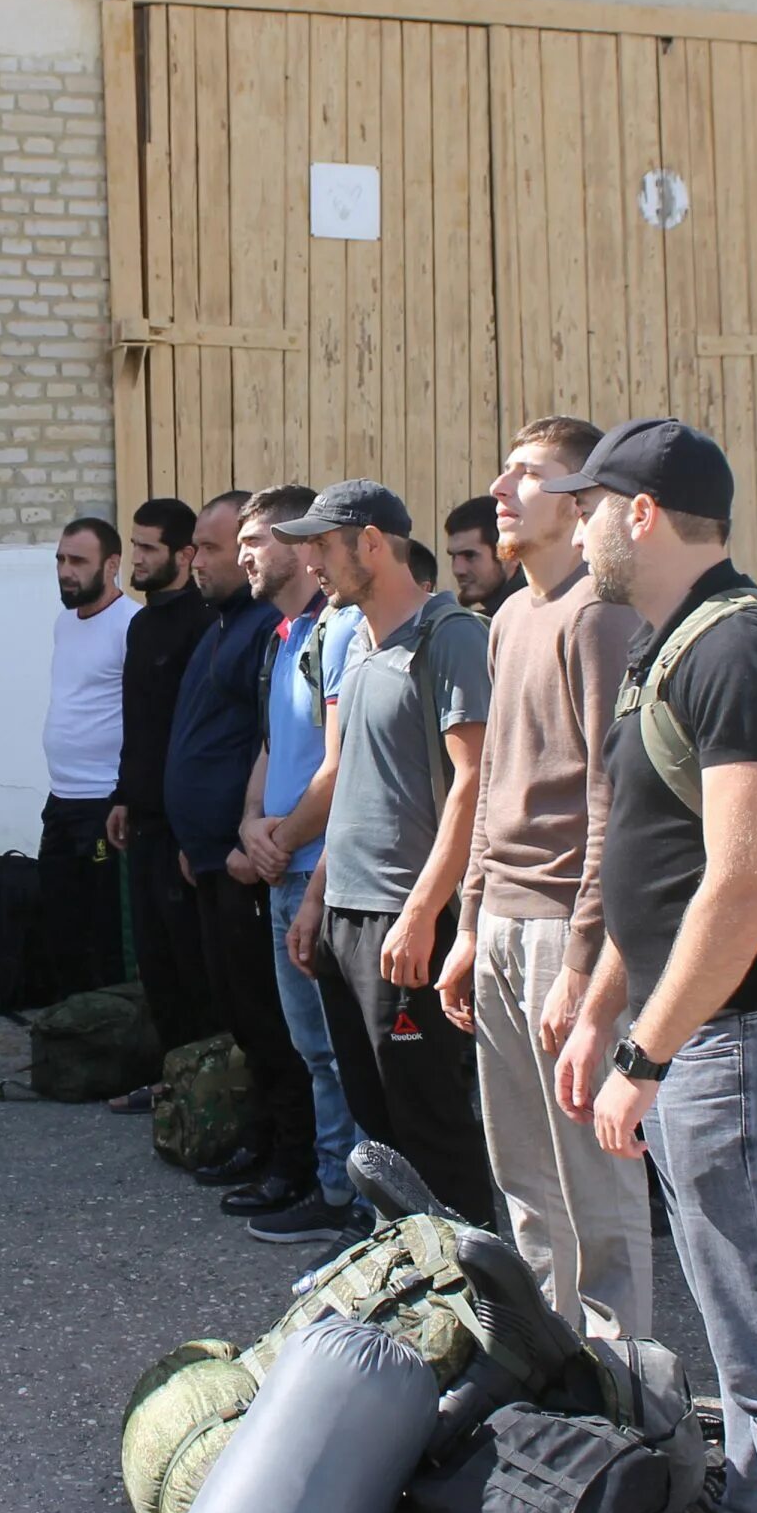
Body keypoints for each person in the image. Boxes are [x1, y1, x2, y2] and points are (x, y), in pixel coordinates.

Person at [568, 419, 757, 1513]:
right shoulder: (672, 642)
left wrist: (645, 1052)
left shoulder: (740, 651)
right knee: (746, 1352)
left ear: (639, 513)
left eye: (593, 506)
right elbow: (657, 867)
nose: (581, 527)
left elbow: (739, 886)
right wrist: (602, 1009)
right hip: (695, 1038)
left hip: (738, 1048)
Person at [433, 418, 652, 1340]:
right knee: (522, 1177)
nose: (501, 486)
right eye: (505, 469)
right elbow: (487, 796)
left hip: (569, 930)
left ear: (580, 502)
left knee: (593, 1184)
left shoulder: (602, 615)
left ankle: (623, 1381)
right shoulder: (508, 618)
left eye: (528, 474)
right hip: (502, 928)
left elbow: (614, 796)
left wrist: (582, 960)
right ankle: (545, 1358)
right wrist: (468, 924)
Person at [280, 482, 495, 1227]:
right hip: (348, 916)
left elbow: (474, 784)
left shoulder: (450, 636)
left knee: (431, 1123)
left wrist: (424, 912)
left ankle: (474, 1298)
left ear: (371, 542)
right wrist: (316, 902)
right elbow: (353, 788)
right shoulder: (360, 645)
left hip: (405, 921)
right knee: (378, 1125)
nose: (309, 562)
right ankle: (403, 1279)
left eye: (321, 545)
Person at [164, 492, 320, 1226]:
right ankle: (265, 1141)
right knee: (246, 1017)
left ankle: (299, 1163)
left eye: (214, 546)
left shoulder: (276, 630)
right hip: (219, 858)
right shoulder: (227, 625)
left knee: (282, 1025)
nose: (198, 560)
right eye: (195, 547)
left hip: (258, 863)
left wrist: (244, 837)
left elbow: (284, 744)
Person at [233, 485, 367, 1244]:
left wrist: (281, 840)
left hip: (321, 868)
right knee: (313, 1049)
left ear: (299, 544)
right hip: (285, 863)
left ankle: (354, 1196)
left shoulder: (343, 631)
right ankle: (330, 1183)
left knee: (339, 1051)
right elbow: (271, 748)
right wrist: (253, 822)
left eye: (257, 538)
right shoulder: (286, 635)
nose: (247, 553)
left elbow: (339, 766)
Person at [106, 497, 216, 1097]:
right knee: (155, 962)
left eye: (150, 549)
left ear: (185, 554)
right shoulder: (143, 624)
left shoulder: (205, 622)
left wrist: (193, 829)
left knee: (193, 963)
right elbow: (138, 724)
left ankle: (208, 1088)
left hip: (186, 829)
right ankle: (171, 1083)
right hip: (143, 820)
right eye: (135, 545)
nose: (137, 559)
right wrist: (124, 795)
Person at [39, 516, 136, 997]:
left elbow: (144, 720)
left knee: (104, 933)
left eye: (78, 561)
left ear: (112, 564)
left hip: (104, 804)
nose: (65, 570)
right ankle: (68, 1030)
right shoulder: (64, 623)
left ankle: (108, 1027)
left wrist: (126, 795)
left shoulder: (131, 624)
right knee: (60, 922)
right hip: (61, 799)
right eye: (60, 559)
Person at [444, 495, 524, 617]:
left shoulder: (537, 620)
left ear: (511, 555)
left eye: (469, 555)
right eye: (454, 557)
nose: (457, 570)